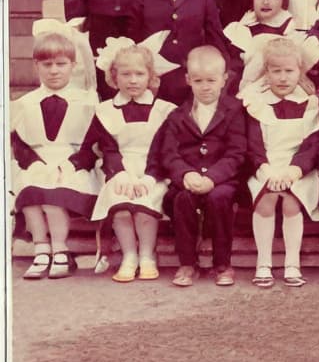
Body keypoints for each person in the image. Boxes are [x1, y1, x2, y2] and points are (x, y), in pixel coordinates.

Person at [11, 27, 99, 279]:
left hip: (74, 167)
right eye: (47, 64)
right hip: (37, 164)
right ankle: (41, 248)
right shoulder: (24, 104)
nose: (54, 70)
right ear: (36, 66)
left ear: (72, 65)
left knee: (52, 194)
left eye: (61, 64)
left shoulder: (86, 102)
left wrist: (70, 165)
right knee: (30, 191)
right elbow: (20, 144)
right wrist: (34, 165)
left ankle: (60, 249)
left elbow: (91, 145)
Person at [159, 46, 248, 287]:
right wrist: (185, 173)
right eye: (198, 80)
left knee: (220, 198)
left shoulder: (235, 110)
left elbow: (237, 152)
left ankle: (222, 263)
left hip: (222, 180)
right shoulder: (177, 114)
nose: (205, 86)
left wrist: (213, 177)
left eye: (211, 80)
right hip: (189, 179)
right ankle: (187, 263)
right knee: (182, 199)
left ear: (224, 79)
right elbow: (169, 153)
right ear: (188, 80)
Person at [242, 37, 319, 288]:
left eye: (289, 71)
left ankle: (292, 262)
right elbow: (253, 144)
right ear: (266, 72)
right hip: (265, 166)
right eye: (275, 71)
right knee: (266, 199)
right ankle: (264, 262)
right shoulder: (255, 101)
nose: (282, 77)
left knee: (291, 202)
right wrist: (266, 170)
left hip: (297, 169)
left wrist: (293, 171)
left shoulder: (309, 102)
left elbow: (312, 145)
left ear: (299, 71)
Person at [88, 42, 177, 282]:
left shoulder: (166, 110)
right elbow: (108, 148)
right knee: (121, 203)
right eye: (126, 74)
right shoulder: (105, 110)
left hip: (155, 171)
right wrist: (120, 174)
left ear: (151, 77)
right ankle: (129, 255)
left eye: (140, 74)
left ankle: (147, 254)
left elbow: (165, 149)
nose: (133, 80)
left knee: (145, 204)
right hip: (120, 170)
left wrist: (150, 177)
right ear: (114, 77)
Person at [224, 0, 299, 92]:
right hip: (238, 81)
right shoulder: (244, 24)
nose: (265, 2)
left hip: (271, 82)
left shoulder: (286, 26)